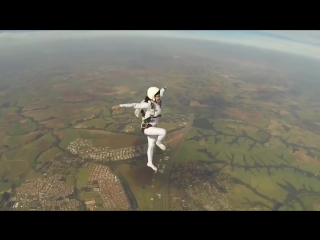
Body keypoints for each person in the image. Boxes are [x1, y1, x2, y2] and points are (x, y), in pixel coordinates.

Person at [111, 86, 167, 172]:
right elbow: (134, 104)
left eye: (159, 96)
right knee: (163, 132)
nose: (159, 97)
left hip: (153, 127)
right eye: (157, 96)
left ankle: (150, 163)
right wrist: (121, 105)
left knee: (151, 146)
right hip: (147, 128)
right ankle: (159, 142)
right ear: (152, 97)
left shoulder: (157, 100)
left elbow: (161, 94)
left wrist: (163, 88)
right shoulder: (148, 104)